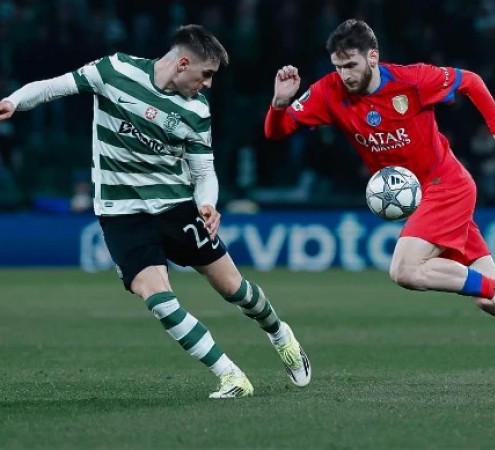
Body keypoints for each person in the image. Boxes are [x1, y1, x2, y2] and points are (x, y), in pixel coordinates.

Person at [264, 19, 495, 390]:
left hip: (447, 185)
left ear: (373, 57)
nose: (345, 74)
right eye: (338, 66)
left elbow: (470, 81)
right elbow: (276, 132)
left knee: (405, 270)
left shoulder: (412, 80)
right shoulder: (329, 91)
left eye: (351, 65)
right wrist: (279, 104)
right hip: (424, 197)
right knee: (488, 300)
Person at [0, 24, 311, 399]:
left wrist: (207, 203)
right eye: (206, 74)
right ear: (183, 63)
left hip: (176, 208)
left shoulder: (196, 109)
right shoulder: (114, 71)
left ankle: (280, 334)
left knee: (234, 288)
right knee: (156, 296)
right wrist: (14, 101)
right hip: (121, 214)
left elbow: (203, 171)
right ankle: (230, 375)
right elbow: (53, 87)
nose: (208, 84)